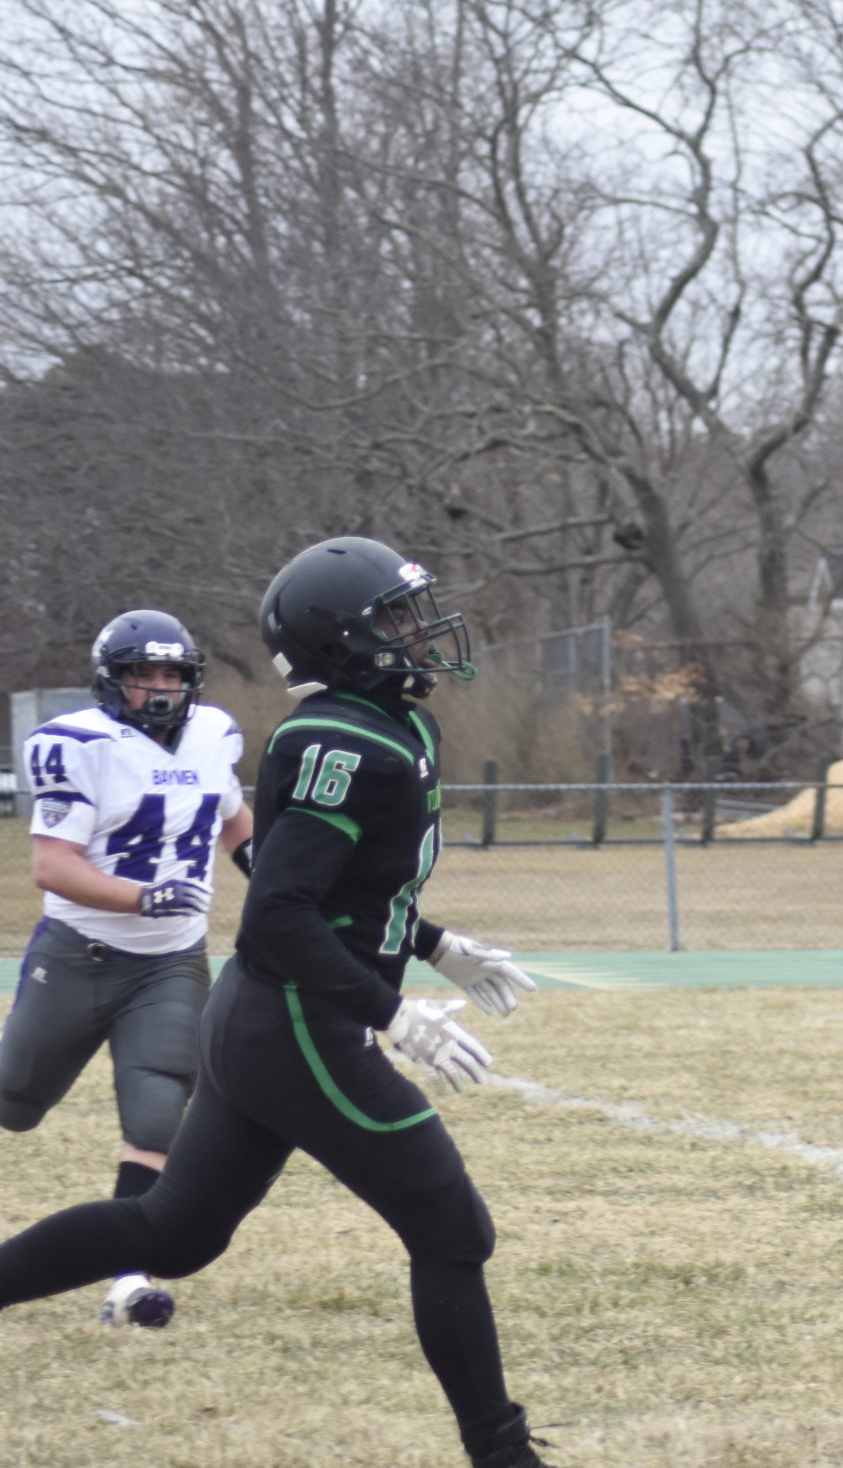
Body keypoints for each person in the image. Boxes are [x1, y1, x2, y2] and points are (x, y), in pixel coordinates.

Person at [0, 538, 551, 1468]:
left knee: (172, 1234)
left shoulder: (395, 725)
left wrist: (436, 944)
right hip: (295, 1021)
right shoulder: (337, 738)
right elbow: (281, 912)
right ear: (344, 641)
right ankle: (505, 1457)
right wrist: (392, 1010)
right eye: (392, 619)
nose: (415, 635)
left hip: (268, 1017)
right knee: (454, 1232)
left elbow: (354, 890)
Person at [9, 610, 255, 1328]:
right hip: (78, 952)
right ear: (110, 680)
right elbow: (51, 866)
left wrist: (275, 878)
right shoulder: (77, 743)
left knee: (156, 1115)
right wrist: (143, 894)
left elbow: (233, 818)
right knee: (15, 1099)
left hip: (169, 962)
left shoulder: (213, 734)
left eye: (171, 674)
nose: (157, 687)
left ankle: (128, 1275)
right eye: (140, 674)